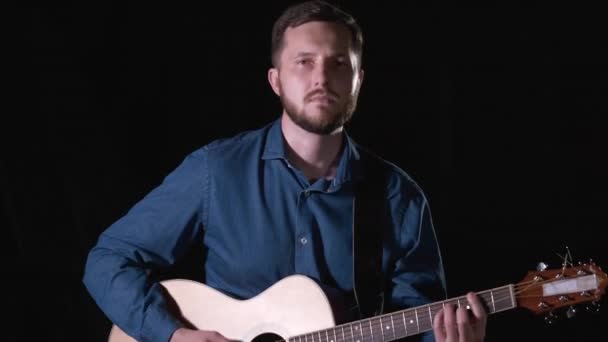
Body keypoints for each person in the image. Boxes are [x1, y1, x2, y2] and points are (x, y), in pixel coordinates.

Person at [83, 1, 487, 341]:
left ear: (358, 81)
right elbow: (107, 261)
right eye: (303, 62)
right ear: (275, 80)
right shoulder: (217, 170)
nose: (321, 77)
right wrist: (173, 334)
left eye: (338, 63)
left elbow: (420, 322)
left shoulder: (399, 198)